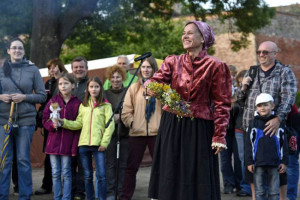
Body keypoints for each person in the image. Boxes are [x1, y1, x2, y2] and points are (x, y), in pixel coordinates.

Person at [146, 21, 232, 200]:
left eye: (190, 33)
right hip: (172, 123)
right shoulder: (173, 60)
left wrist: (219, 135)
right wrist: (151, 87)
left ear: (203, 38)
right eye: (184, 33)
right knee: (171, 166)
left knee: (196, 170)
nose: (185, 36)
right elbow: (156, 80)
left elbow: (222, 103)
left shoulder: (216, 65)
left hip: (199, 126)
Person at [237, 41, 297, 200]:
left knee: (278, 164)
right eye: (259, 52)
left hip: (273, 126)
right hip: (252, 126)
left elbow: (288, 98)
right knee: (250, 164)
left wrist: (279, 119)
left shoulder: (284, 72)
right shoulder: (251, 71)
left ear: (275, 54)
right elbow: (240, 101)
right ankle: (256, 198)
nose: (261, 55)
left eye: (265, 52)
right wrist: (242, 88)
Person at [0, 38, 47, 199]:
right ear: (9, 51)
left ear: (24, 51)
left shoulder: (33, 70)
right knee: (5, 161)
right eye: (14, 48)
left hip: (26, 121)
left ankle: (25, 196)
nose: (17, 51)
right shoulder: (1, 69)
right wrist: (1, 96)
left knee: (23, 160)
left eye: (20, 48)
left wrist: (24, 97)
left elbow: (42, 96)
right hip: (4, 121)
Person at [56, 76, 115, 200]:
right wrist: (64, 122)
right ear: (87, 89)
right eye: (91, 87)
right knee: (87, 176)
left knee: (101, 176)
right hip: (83, 145)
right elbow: (79, 123)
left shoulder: (106, 105)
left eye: (96, 87)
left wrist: (104, 143)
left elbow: (110, 126)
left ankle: (102, 198)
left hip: (98, 145)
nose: (94, 89)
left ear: (101, 88)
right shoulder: (83, 105)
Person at [120, 56, 161, 200]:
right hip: (137, 133)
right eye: (143, 67)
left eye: (149, 67)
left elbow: (168, 110)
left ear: (154, 69)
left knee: (160, 168)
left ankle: (157, 195)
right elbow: (125, 111)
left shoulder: (161, 87)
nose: (145, 70)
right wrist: (132, 123)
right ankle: (125, 197)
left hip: (157, 133)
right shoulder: (133, 87)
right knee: (131, 168)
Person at [43, 73, 81, 200]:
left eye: (66, 83)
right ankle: (57, 197)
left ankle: (66, 197)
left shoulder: (78, 103)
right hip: (53, 144)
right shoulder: (53, 101)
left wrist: (74, 146)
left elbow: (79, 126)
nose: (63, 86)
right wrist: (52, 125)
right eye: (60, 84)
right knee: (55, 173)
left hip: (67, 145)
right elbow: (44, 119)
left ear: (73, 85)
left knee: (66, 172)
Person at [245, 93, 288, 200]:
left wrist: (284, 161)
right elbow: (248, 144)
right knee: (259, 192)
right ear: (256, 108)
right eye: (259, 105)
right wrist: (249, 162)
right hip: (258, 164)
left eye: (265, 105)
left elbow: (284, 144)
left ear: (272, 106)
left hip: (275, 164)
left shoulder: (279, 124)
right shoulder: (253, 124)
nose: (262, 108)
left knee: (274, 193)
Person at [35, 58, 68, 195]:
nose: (52, 70)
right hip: (50, 125)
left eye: (54, 67)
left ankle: (67, 188)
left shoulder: (66, 81)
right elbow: (45, 101)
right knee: (49, 155)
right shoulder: (48, 82)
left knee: (66, 157)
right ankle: (47, 185)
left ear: (60, 68)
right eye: (50, 68)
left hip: (65, 123)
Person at [104, 65, 129, 199]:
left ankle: (121, 191)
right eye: (113, 77)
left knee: (123, 164)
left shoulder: (128, 91)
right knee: (111, 164)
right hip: (110, 135)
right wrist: (111, 118)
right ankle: (110, 192)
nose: (115, 79)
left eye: (118, 77)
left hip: (125, 133)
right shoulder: (105, 93)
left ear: (122, 78)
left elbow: (132, 109)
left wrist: (122, 117)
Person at [220, 65, 242, 195]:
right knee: (225, 159)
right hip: (224, 129)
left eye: (233, 75)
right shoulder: (219, 89)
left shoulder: (239, 90)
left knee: (239, 158)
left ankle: (239, 184)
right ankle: (228, 184)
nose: (231, 77)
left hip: (238, 128)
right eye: (229, 74)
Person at [70, 56, 89, 200]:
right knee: (69, 163)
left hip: (85, 131)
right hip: (69, 131)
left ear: (86, 68)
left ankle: (80, 192)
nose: (78, 69)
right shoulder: (66, 84)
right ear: (72, 69)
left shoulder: (91, 84)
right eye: (76, 67)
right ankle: (70, 190)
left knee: (83, 163)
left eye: (81, 67)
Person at [232, 70, 252, 197]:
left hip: (253, 128)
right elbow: (235, 106)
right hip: (240, 128)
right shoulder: (239, 92)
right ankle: (246, 187)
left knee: (255, 158)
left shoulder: (255, 91)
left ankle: (256, 186)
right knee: (242, 158)